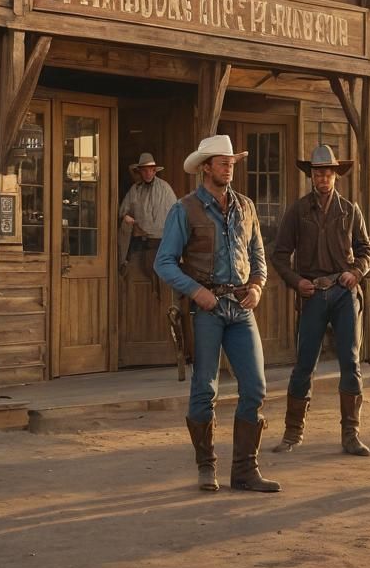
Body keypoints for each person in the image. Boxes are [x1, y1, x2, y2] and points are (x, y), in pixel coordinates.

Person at [155, 134, 280, 494]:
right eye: (222, 162)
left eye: (232, 163)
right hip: (205, 311)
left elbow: (258, 255)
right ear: (206, 167)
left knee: (255, 388)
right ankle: (206, 467)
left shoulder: (246, 207)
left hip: (241, 308)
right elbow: (163, 262)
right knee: (203, 389)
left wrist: (257, 286)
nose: (229, 168)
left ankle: (244, 472)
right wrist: (196, 292)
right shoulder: (185, 209)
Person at [270, 144, 370, 456]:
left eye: (328, 172)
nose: (323, 177)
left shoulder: (350, 210)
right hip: (313, 293)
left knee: (350, 362)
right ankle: (292, 433)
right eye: (318, 173)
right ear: (311, 176)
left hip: (344, 293)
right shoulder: (298, 211)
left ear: (336, 176)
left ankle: (351, 434)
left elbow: (366, 251)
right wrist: (296, 281)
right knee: (304, 364)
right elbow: (279, 255)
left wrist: (355, 272)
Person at [117, 152, 177, 291]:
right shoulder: (135, 190)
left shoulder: (165, 189)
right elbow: (123, 210)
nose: (147, 173)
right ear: (140, 172)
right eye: (144, 170)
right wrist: (126, 216)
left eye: (150, 170)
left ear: (154, 171)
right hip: (139, 241)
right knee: (130, 272)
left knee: (158, 277)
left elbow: (175, 215)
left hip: (160, 242)